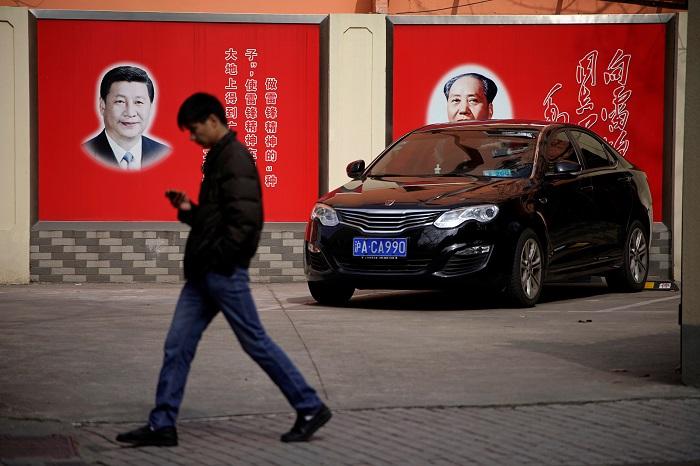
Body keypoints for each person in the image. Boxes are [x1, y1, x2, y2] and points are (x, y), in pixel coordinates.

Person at [115, 93, 331, 447]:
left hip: (223, 273)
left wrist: (222, 261)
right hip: (204, 274)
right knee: (177, 345)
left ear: (213, 121)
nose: (192, 137)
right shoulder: (218, 158)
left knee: (256, 343)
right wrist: (188, 209)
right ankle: (163, 425)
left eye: (194, 129)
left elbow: (246, 225)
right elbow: (216, 221)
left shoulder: (235, 159)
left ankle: (309, 406)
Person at [83, 65, 170, 170]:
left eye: (138, 102)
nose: (130, 113)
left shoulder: (162, 152)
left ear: (150, 107)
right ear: (102, 105)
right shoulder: (86, 152)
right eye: (120, 101)